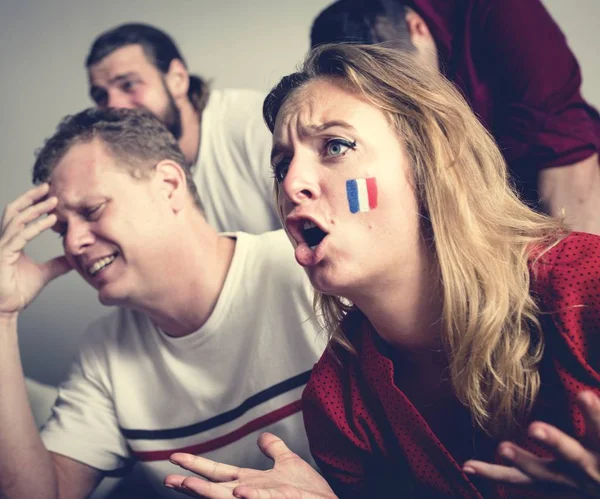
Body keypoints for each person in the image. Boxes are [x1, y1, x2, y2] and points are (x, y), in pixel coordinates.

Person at [163, 44, 600, 498]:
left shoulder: (585, 284)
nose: (292, 184)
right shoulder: (337, 405)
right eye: (281, 165)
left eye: (335, 146)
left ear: (433, 160)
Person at [0, 107, 326, 499]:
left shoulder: (306, 270)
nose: (72, 243)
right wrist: (2, 315)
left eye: (91, 211)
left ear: (169, 185)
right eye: (62, 229)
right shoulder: (104, 354)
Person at [309, 0, 600, 236]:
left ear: (417, 27)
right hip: (480, 224)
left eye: (408, 85)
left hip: (569, 204)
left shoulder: (502, 11)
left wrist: (581, 288)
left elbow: (566, 153)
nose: (410, 105)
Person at [86, 23, 280, 234]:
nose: (113, 106)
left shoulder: (253, 121)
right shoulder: (130, 167)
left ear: (178, 80)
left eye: (129, 84)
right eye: (100, 96)